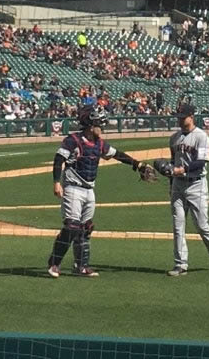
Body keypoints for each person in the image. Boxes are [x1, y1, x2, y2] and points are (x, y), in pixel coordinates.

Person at [46, 111, 148, 277]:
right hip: (73, 188)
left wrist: (137, 164)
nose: (102, 128)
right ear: (89, 126)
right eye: (99, 125)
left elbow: (117, 154)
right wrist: (57, 182)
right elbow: (59, 159)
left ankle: (82, 266)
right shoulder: (73, 140)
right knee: (72, 226)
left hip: (89, 190)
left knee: (85, 228)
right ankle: (54, 264)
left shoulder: (99, 144)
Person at [157, 113, 209, 276]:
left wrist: (180, 170)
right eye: (178, 117)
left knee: (201, 225)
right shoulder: (174, 138)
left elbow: (201, 163)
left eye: (183, 117)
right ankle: (180, 264)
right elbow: (173, 161)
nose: (180, 120)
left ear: (191, 117)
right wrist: (171, 180)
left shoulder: (202, 137)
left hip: (197, 185)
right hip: (178, 185)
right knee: (178, 225)